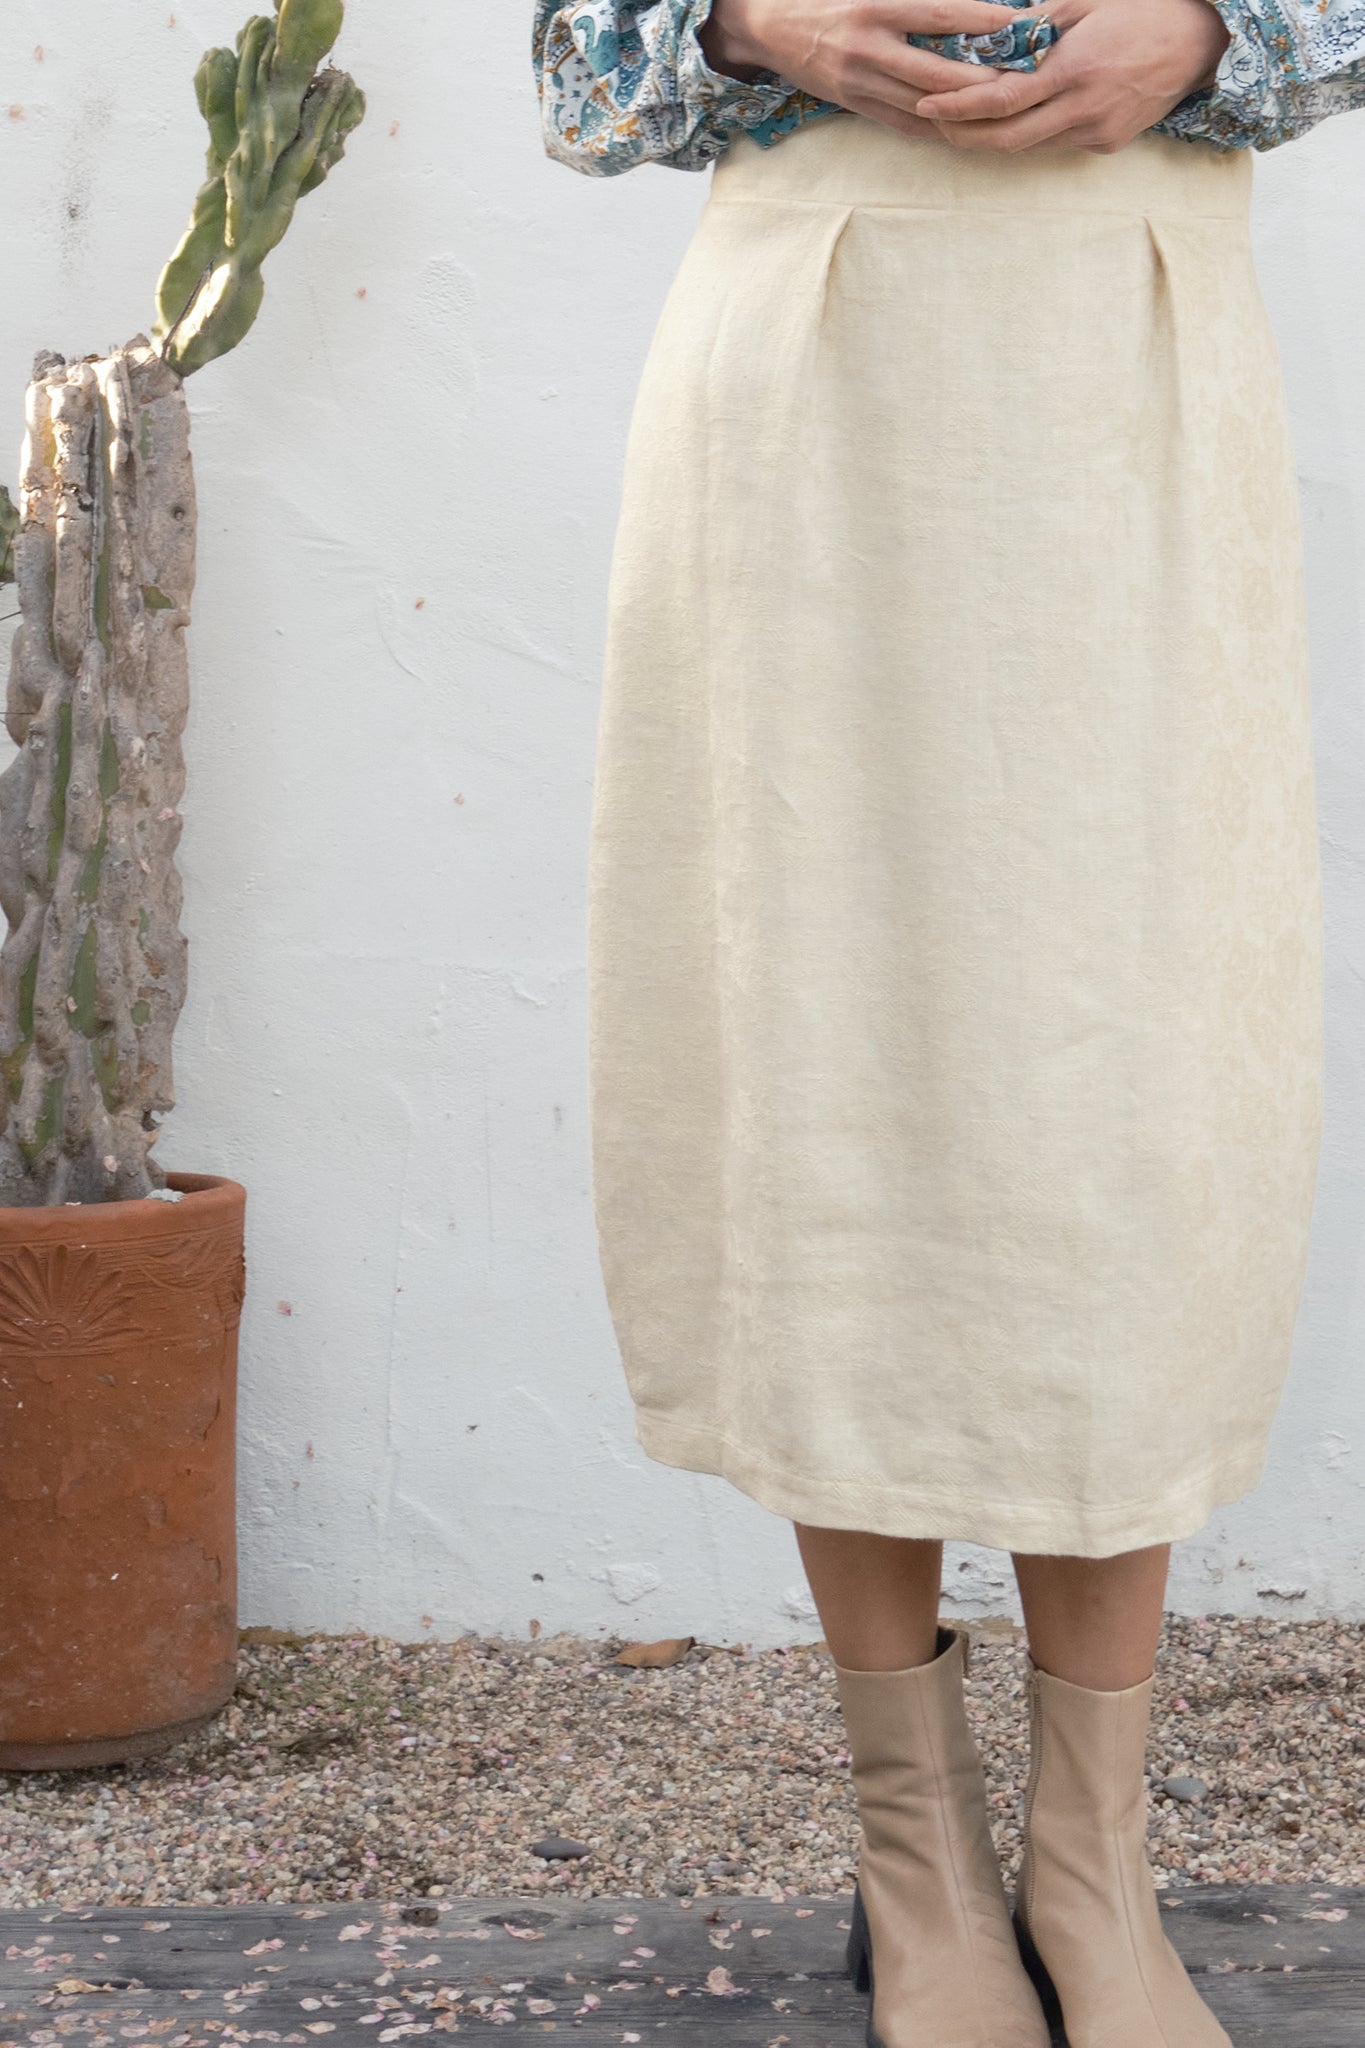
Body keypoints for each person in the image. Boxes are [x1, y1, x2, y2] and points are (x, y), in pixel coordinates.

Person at [531, 3, 1362, 2043]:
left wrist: (1206, 29)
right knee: (837, 1066)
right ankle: (915, 1862)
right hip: (812, 352)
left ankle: (1090, 1868)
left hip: (1129, 341)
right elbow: (573, 67)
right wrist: (740, 17)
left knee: (1127, 1102)